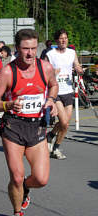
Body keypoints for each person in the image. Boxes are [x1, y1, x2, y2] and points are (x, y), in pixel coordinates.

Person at [0, 29, 58, 216]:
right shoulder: (8, 71)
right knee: (17, 176)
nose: (30, 53)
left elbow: (53, 85)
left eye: (34, 48)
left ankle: (25, 188)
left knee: (41, 179)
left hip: (36, 126)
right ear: (17, 49)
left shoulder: (44, 67)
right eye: (26, 49)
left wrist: (51, 100)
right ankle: (17, 214)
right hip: (13, 127)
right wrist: (7, 105)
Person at [45, 29, 83, 159]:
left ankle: (51, 137)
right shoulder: (50, 54)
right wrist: (52, 74)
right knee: (65, 122)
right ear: (56, 40)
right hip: (56, 92)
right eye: (61, 38)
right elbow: (43, 72)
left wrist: (79, 69)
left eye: (65, 38)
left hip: (68, 90)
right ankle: (55, 149)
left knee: (64, 124)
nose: (63, 40)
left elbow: (76, 65)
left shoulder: (72, 53)